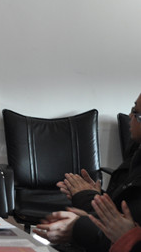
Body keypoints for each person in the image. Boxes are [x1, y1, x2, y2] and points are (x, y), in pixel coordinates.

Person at [35, 93, 141, 252]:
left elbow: (124, 232)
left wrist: (78, 224)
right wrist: (92, 198)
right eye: (133, 109)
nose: (130, 116)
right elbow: (119, 216)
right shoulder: (135, 155)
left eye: (136, 113)